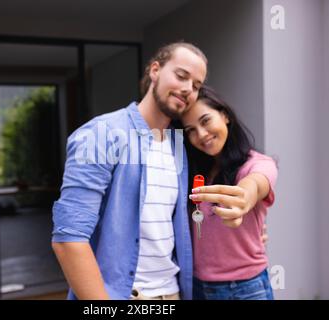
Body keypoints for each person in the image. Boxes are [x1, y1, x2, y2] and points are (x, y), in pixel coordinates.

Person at [51, 42, 210, 300]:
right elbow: (68, 241)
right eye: (181, 76)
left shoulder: (180, 144)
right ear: (155, 70)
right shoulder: (100, 135)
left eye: (196, 85)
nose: (187, 89)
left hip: (173, 294)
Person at [180, 85, 278, 300]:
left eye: (205, 121)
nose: (202, 134)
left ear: (224, 116)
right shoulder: (192, 171)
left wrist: (241, 200)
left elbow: (254, 185)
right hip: (197, 287)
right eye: (191, 130)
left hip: (245, 288)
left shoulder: (257, 164)